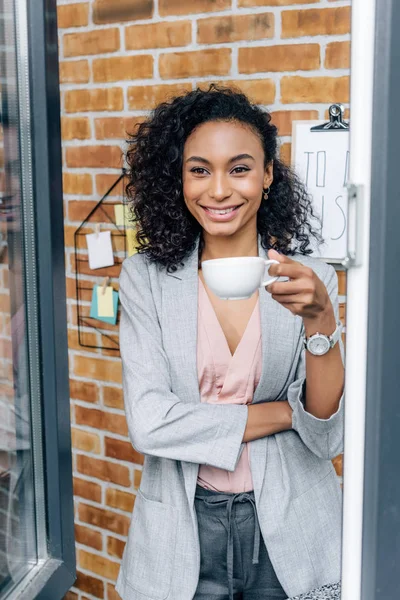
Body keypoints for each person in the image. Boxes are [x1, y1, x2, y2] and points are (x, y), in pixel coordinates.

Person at [115, 85, 345, 600]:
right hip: (182, 526)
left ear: (267, 176)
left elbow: (327, 434)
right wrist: (287, 414)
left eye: (239, 168)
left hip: (291, 522)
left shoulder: (310, 279)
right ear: (179, 179)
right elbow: (150, 422)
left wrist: (321, 321)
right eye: (200, 170)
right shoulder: (145, 280)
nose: (218, 190)